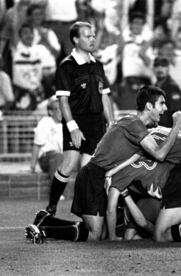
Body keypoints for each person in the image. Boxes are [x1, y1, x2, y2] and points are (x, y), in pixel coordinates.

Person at [27, 86, 181, 242]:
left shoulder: (133, 123)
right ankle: (43, 231)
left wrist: (112, 173)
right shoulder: (134, 124)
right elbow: (160, 155)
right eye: (162, 103)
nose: (165, 108)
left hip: (97, 174)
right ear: (148, 106)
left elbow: (135, 156)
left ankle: (46, 221)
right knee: (95, 235)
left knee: (100, 233)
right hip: (93, 176)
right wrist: (177, 127)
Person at [45, 21, 115, 215]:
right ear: (76, 40)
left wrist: (110, 123)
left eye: (93, 35)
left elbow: (105, 96)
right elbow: (63, 100)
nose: (92, 39)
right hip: (76, 122)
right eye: (87, 36)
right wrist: (73, 127)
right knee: (68, 165)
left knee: (88, 170)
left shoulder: (98, 65)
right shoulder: (67, 66)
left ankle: (86, 212)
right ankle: (52, 206)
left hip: (96, 124)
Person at [29, 97, 63, 181]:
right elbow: (37, 145)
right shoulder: (45, 122)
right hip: (47, 157)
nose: (62, 112)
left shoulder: (67, 125)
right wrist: (32, 167)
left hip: (63, 157)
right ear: (51, 112)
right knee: (58, 157)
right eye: (58, 109)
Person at [153, 56, 181, 128]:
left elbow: (178, 113)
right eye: (157, 66)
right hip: (157, 129)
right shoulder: (155, 86)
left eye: (163, 66)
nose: (159, 69)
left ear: (168, 68)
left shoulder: (173, 87)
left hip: (168, 129)